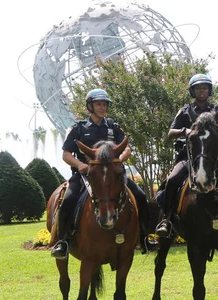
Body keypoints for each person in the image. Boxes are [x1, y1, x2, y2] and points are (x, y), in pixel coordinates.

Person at [50, 88, 158, 259]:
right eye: (98, 104)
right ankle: (62, 242)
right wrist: (80, 165)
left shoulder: (113, 127)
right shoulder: (78, 128)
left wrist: (119, 159)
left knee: (140, 195)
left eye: (104, 104)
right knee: (68, 200)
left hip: (113, 176)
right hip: (86, 176)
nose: (102, 107)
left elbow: (127, 148)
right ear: (90, 106)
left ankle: (145, 237)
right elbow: (66, 154)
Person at [155, 74, 218, 237]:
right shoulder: (185, 111)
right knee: (172, 181)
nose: (202, 91)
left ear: (209, 90)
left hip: (216, 159)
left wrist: (217, 124)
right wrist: (184, 131)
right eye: (198, 88)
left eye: (205, 88)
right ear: (193, 91)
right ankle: (167, 219)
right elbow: (170, 132)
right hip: (190, 158)